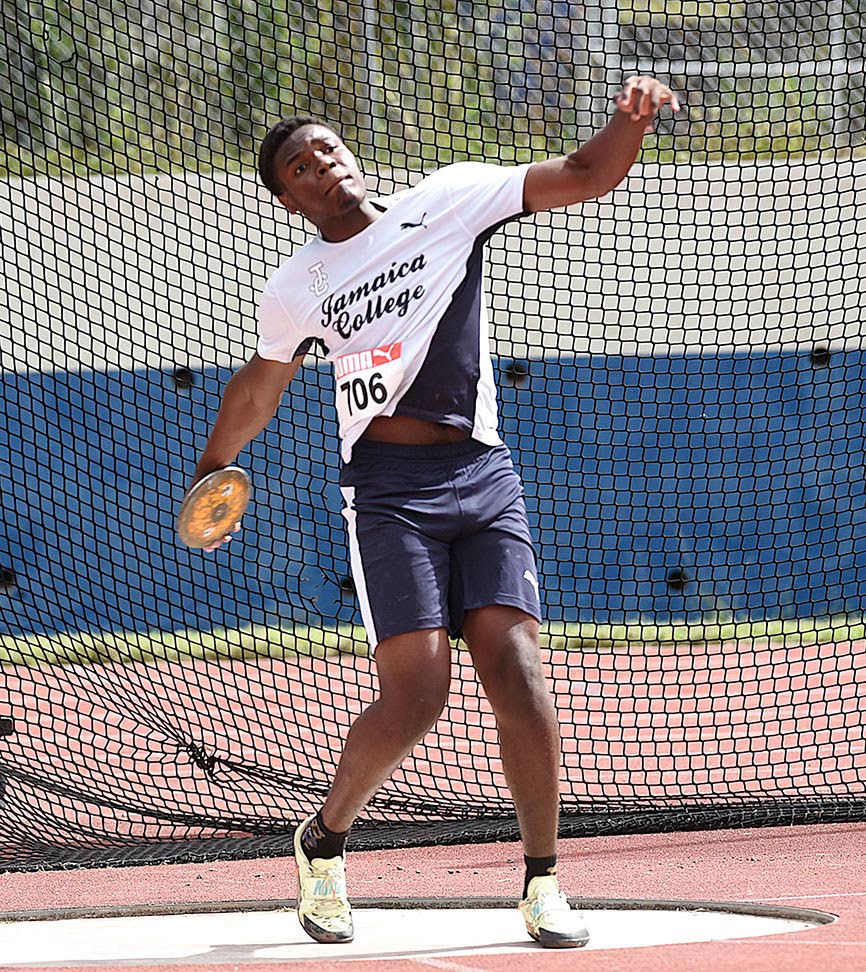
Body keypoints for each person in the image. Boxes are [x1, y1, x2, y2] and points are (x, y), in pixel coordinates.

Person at [187, 75, 680, 948]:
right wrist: (215, 468)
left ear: (351, 153)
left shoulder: (448, 201)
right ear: (286, 197)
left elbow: (581, 174)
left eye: (326, 149)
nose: (319, 167)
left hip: (483, 475)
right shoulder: (299, 285)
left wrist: (627, 119)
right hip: (386, 492)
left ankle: (541, 884)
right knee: (417, 691)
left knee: (517, 670)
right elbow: (261, 386)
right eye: (298, 168)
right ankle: (326, 843)